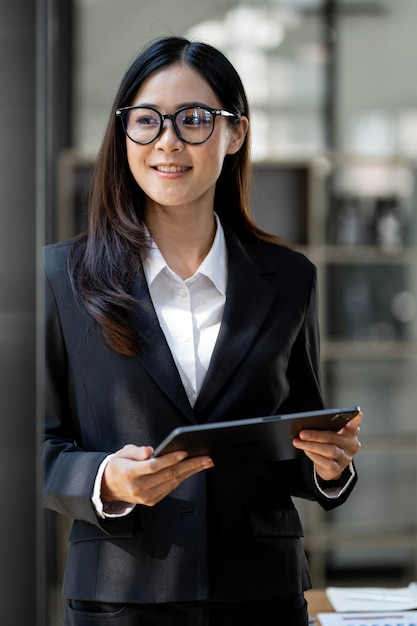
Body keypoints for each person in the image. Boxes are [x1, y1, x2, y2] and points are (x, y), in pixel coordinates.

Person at [43, 35, 363, 626]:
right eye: (147, 121)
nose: (168, 141)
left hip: (262, 597)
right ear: (124, 132)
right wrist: (104, 479)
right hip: (120, 598)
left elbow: (298, 433)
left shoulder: (290, 278)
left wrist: (330, 466)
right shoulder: (61, 278)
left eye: (194, 119)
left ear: (235, 133)